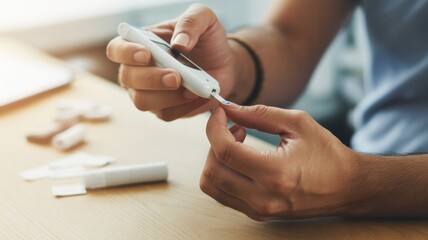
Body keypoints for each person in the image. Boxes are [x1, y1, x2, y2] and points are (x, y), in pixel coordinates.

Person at [106, 1, 428, 221]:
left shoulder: (354, 187)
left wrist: (360, 183)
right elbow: (292, 37)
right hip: (353, 202)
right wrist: (235, 64)